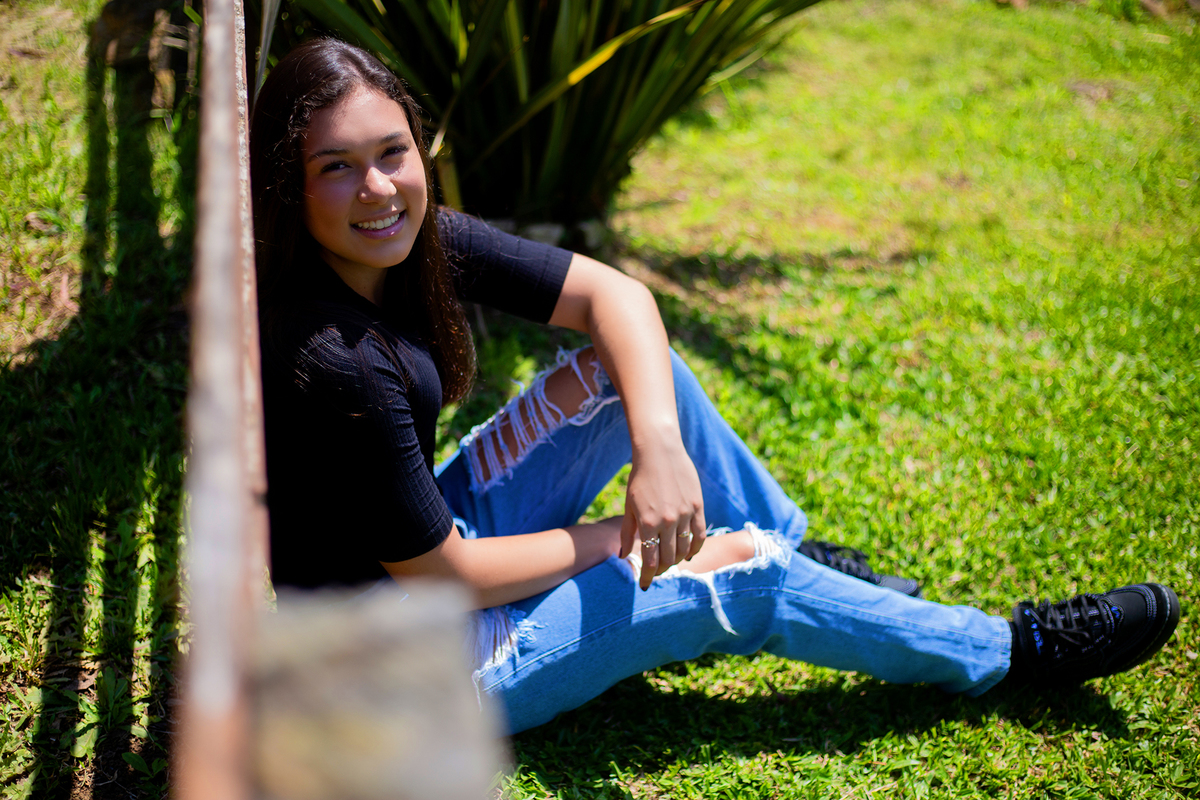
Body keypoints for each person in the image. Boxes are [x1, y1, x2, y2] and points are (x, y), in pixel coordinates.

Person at [249, 38, 1180, 735]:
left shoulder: (415, 245)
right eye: (337, 167)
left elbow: (616, 296)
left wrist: (658, 451)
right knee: (740, 574)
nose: (378, 188)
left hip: (420, 560)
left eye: (392, 152)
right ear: (290, 187)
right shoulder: (336, 360)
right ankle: (1013, 651)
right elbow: (443, 575)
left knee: (638, 380)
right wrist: (630, 536)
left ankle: (790, 548)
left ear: (419, 148)